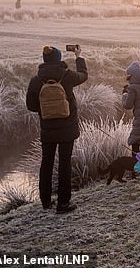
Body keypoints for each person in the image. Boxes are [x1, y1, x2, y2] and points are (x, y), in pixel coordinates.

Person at [26, 45, 88, 213]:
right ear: (59, 59)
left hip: (47, 130)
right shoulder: (67, 75)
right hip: (67, 128)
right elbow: (84, 76)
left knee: (46, 163)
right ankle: (63, 204)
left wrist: (46, 109)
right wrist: (78, 57)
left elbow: (31, 106)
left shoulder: (36, 80)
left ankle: (46, 202)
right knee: (64, 163)